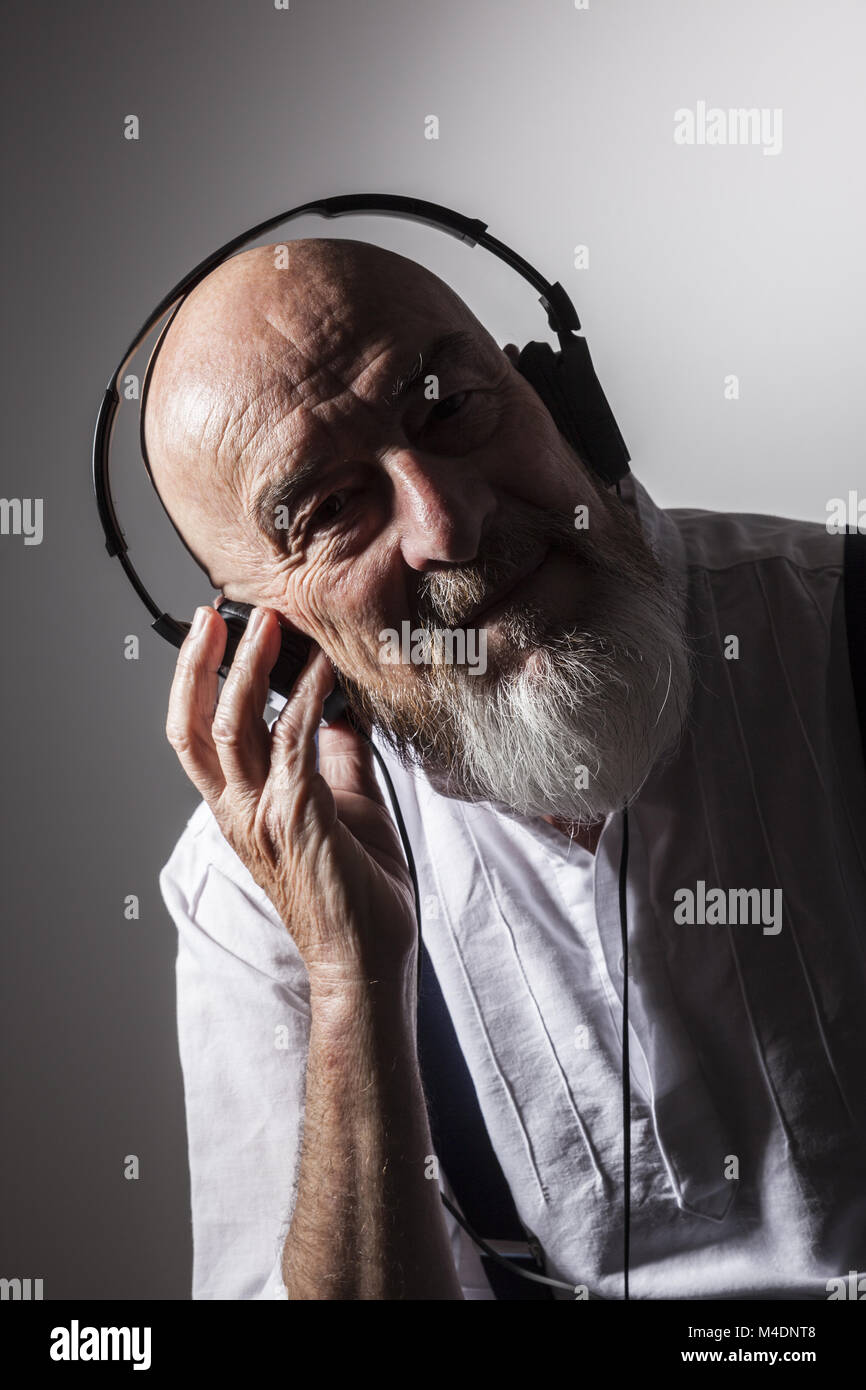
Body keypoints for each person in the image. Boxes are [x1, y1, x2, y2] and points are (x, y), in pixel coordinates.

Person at [148, 237, 866, 1300]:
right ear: (275, 642)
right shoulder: (250, 889)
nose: (449, 522)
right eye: (332, 510)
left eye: (448, 408)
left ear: (564, 404)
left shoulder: (835, 628)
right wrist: (354, 986)